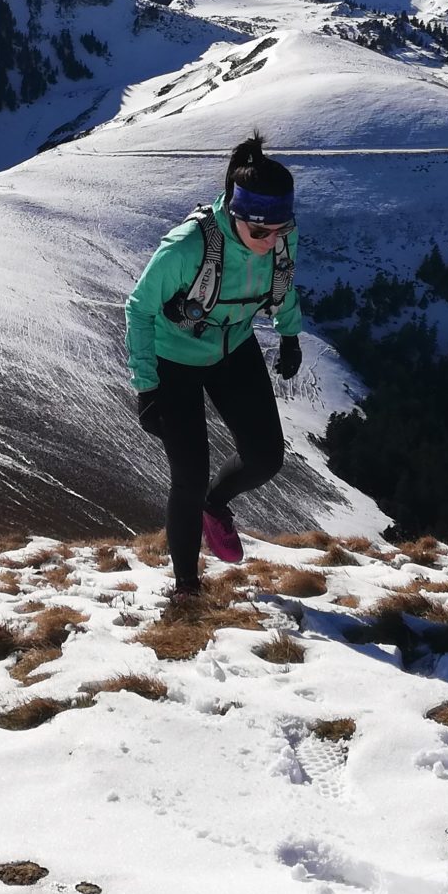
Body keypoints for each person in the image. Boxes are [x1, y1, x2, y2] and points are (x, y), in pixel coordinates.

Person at [124, 132, 303, 601]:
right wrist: (148, 386)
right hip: (174, 361)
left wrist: (289, 334)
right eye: (260, 232)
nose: (271, 241)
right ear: (235, 214)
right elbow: (139, 308)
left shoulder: (281, 238)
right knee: (190, 473)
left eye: (280, 230)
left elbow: (284, 285)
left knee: (266, 458)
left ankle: (215, 506)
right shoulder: (187, 248)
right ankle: (186, 587)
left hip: (233, 348)